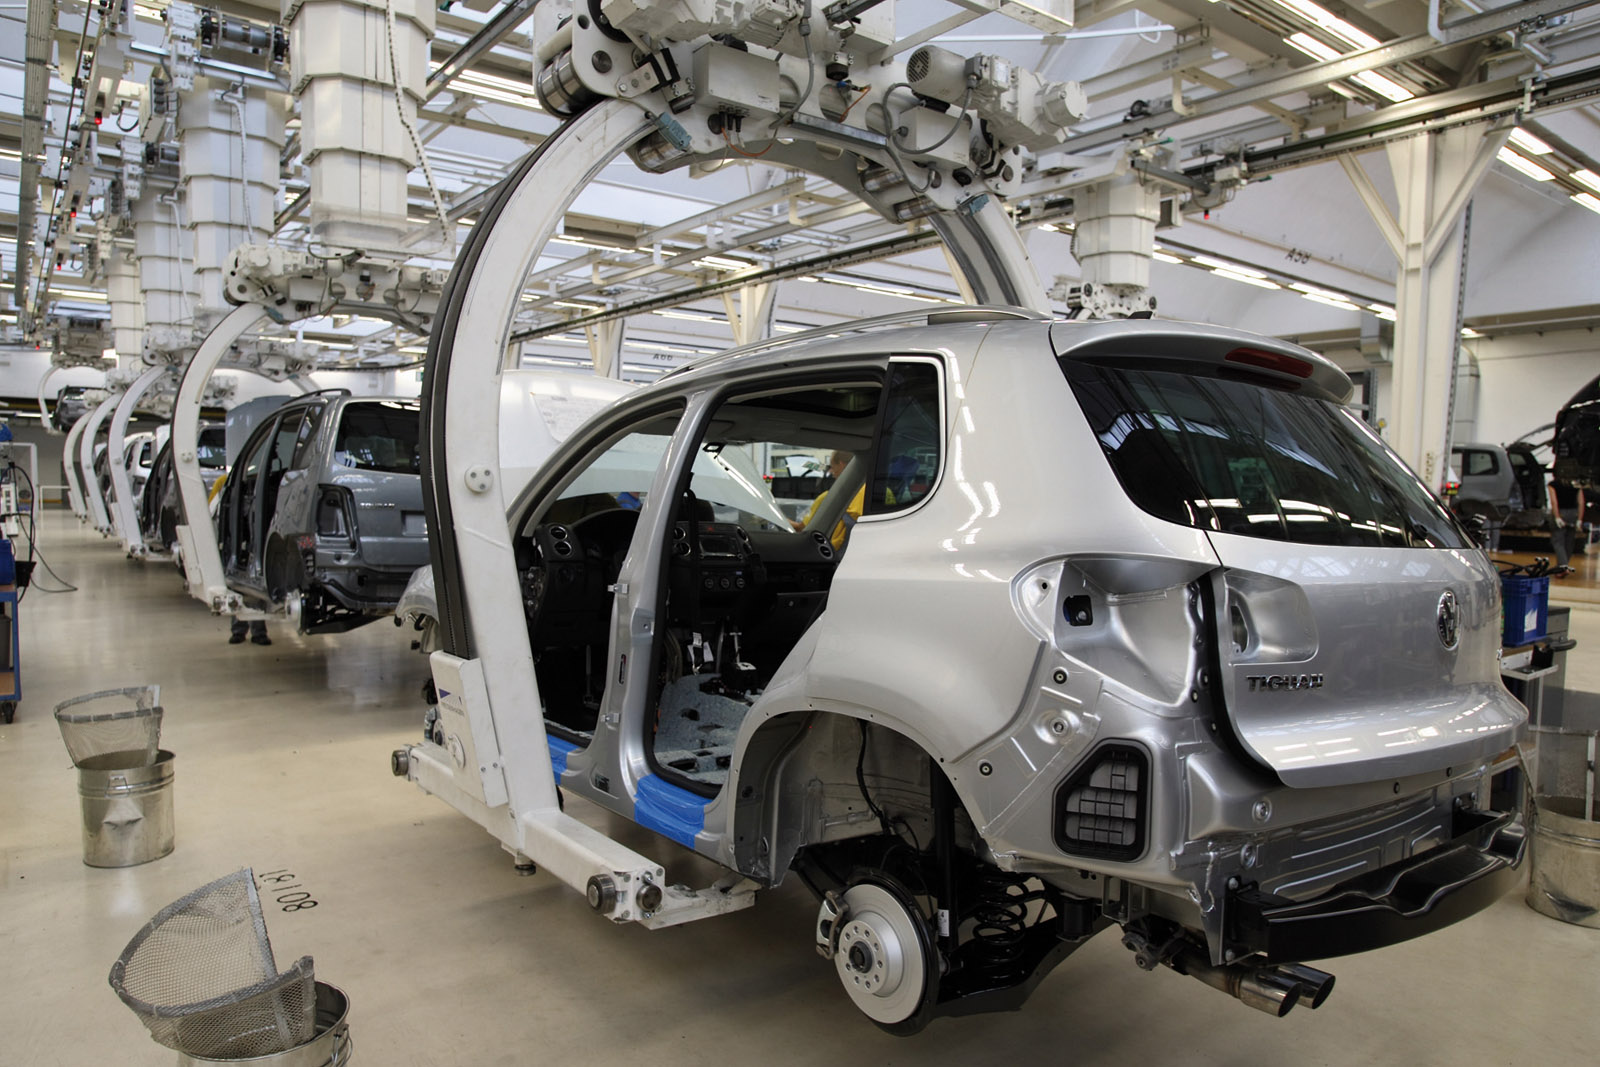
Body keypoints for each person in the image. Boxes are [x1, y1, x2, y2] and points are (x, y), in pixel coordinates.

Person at [792, 450, 865, 551]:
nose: (831, 472)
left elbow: (802, 529)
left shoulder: (829, 498)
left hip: (837, 555)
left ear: (841, 464)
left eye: (832, 467)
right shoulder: (881, 492)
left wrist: (780, 520)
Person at [1547, 475, 1586, 573]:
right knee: (1570, 541)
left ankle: (1562, 566)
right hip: (1574, 513)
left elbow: (1554, 502)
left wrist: (1557, 517)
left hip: (1561, 512)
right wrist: (1580, 519)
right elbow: (1581, 502)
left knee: (1558, 541)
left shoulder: (1553, 485)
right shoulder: (1576, 484)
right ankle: (1565, 564)